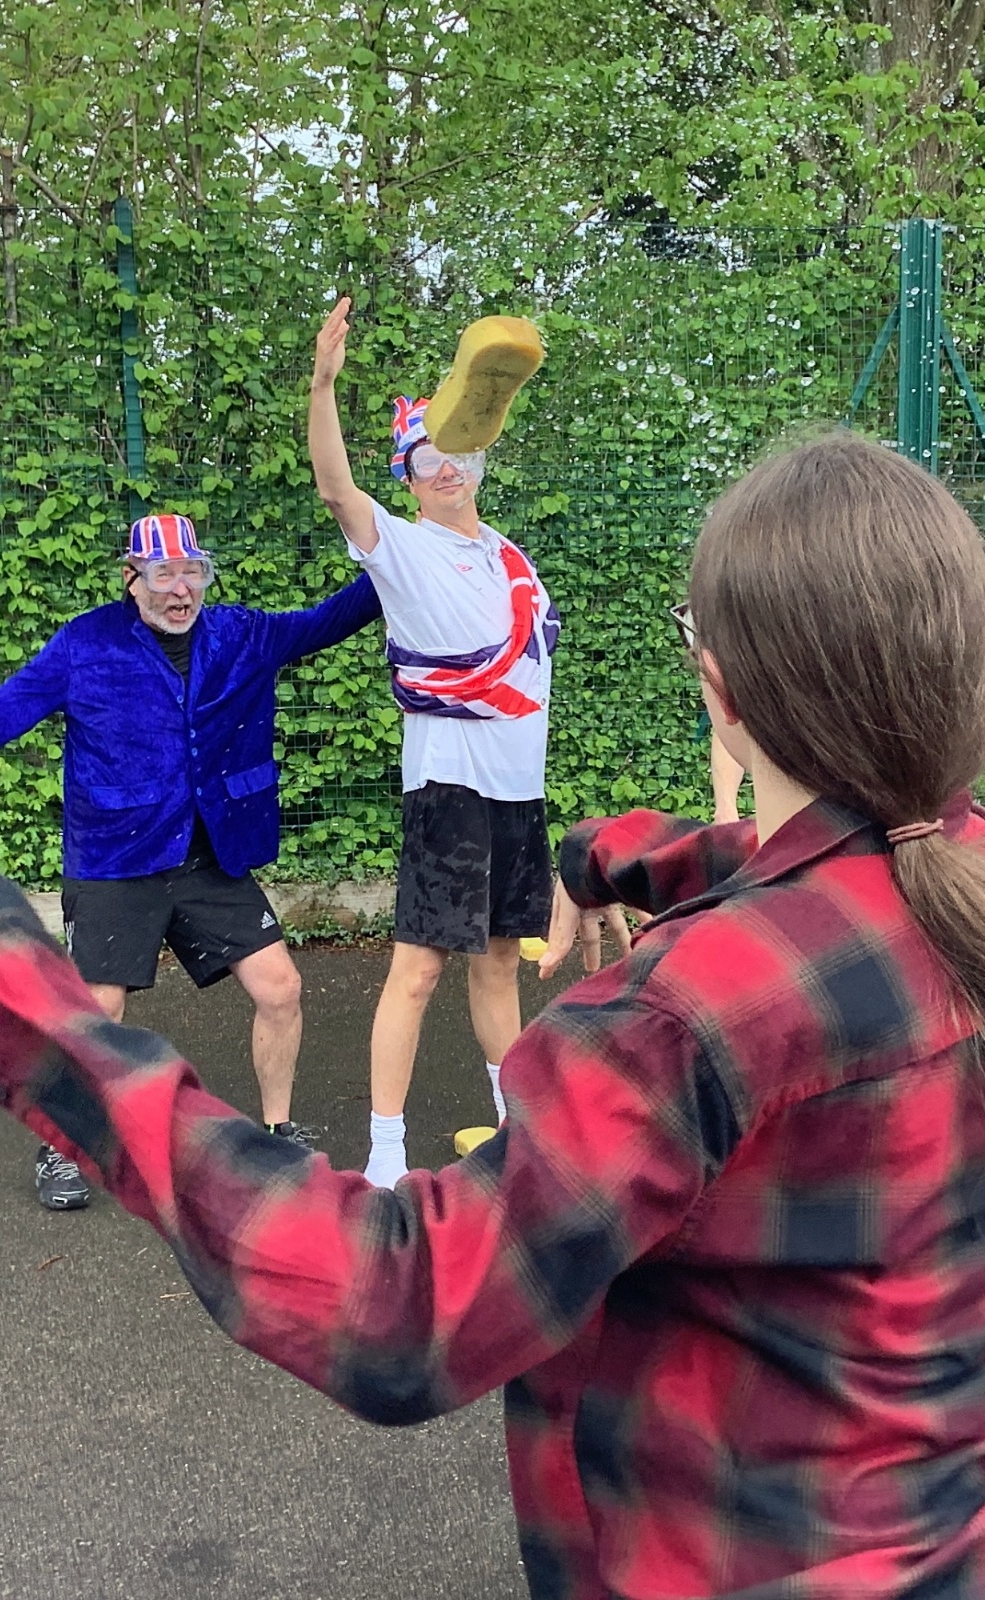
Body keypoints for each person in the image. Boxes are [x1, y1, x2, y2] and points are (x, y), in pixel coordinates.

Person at [0, 432, 985, 1598]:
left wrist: (15, 999)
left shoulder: (683, 1020)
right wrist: (628, 852)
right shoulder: (984, 869)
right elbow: (830, 860)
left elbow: (400, 1306)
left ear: (720, 693)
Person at [0, 512, 381, 1208]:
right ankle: (63, 1147)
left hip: (208, 854)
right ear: (132, 579)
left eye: (193, 573)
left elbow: (331, 619)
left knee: (280, 987)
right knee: (96, 1012)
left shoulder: (243, 634)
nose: (181, 589)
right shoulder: (85, 645)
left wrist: (398, 554)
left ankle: (279, 1132)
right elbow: (0, 711)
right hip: (115, 856)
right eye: (164, 574)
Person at [306, 296, 560, 1186]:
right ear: (407, 480)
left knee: (500, 965)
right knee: (416, 972)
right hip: (448, 791)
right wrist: (323, 386)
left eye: (457, 453)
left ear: (480, 457)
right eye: (424, 461)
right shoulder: (402, 551)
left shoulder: (511, 559)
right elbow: (336, 489)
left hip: (518, 793)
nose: (445, 469)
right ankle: (385, 1156)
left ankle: (516, 1129)